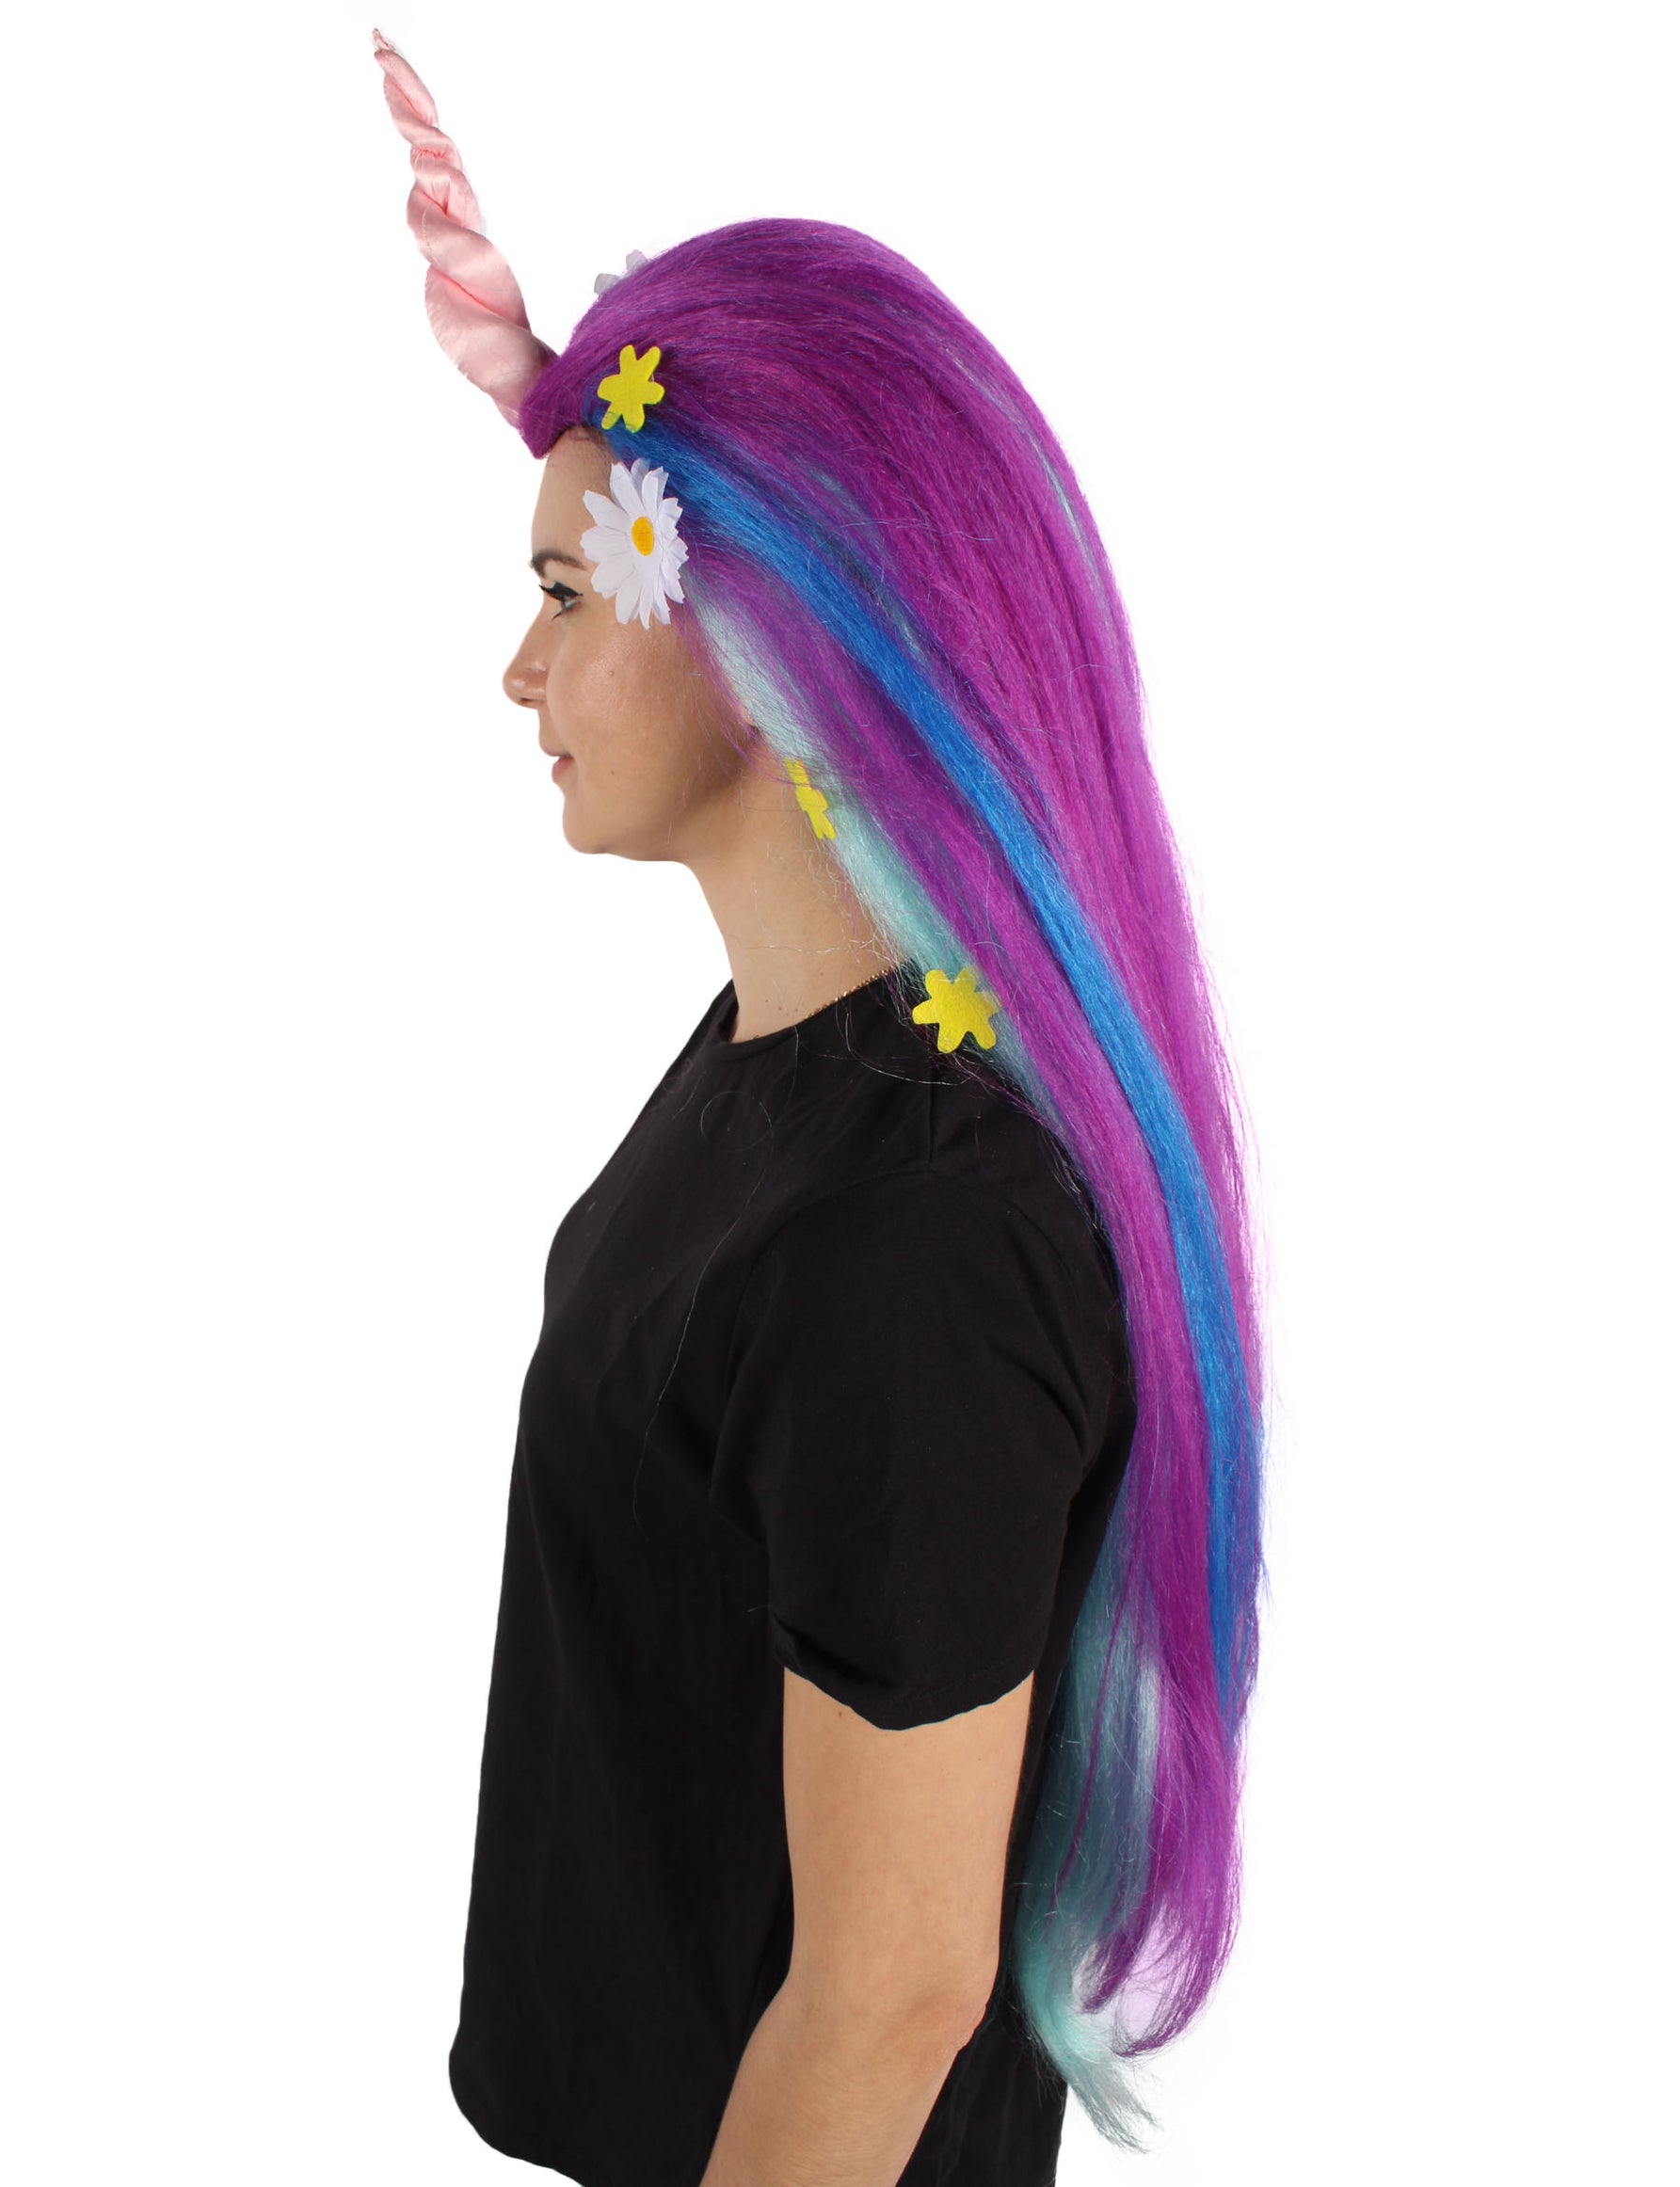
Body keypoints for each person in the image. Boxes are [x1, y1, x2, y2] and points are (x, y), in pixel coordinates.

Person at [371, 31, 1269, 2187]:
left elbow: (889, 1994)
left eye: (566, 595)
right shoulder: (784, 1074)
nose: (518, 672)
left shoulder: (917, 1234)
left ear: (763, 626)